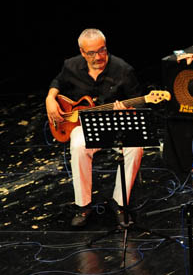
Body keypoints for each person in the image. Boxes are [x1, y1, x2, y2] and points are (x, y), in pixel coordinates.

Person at [45, 28, 143, 227]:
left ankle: (120, 203)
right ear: (82, 52)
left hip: (116, 123)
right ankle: (83, 205)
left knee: (136, 147)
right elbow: (57, 81)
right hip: (84, 124)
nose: (98, 57)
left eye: (102, 51)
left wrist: (127, 109)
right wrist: (50, 98)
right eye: (92, 53)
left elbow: (140, 103)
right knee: (78, 145)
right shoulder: (71, 65)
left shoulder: (123, 69)